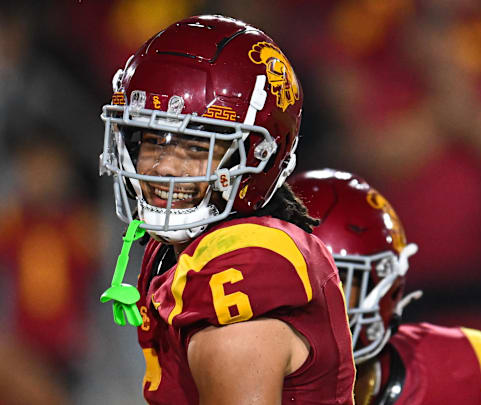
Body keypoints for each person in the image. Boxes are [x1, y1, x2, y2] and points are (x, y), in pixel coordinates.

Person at [98, 15, 355, 404]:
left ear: (259, 155)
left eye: (197, 147)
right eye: (153, 140)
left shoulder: (238, 276)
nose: (165, 167)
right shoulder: (176, 249)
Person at [288, 169, 481, 405]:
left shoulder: (460, 370)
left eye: (332, 279)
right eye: (287, 277)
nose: (306, 298)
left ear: (383, 288)